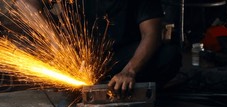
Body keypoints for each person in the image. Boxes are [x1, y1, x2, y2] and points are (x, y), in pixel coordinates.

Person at [21, 0, 182, 93]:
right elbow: (24, 3)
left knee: (170, 55)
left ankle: (129, 90)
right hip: (80, 60)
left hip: (122, 60)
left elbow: (151, 35)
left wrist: (129, 71)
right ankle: (83, 88)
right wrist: (55, 43)